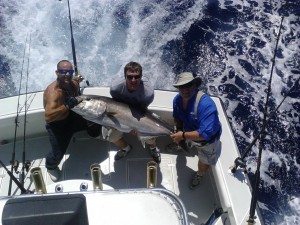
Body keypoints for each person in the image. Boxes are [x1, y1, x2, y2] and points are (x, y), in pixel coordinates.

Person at [43, 60, 101, 182]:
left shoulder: (72, 83)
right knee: (57, 154)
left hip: (73, 117)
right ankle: (50, 167)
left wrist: (80, 77)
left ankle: (93, 134)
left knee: (94, 117)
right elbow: (48, 116)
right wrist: (67, 106)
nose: (67, 75)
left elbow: (77, 79)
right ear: (57, 72)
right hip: (58, 126)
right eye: (64, 72)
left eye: (70, 72)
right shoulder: (53, 92)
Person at [170, 72, 221, 189]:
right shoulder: (177, 100)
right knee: (184, 140)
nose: (185, 89)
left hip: (206, 142)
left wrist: (181, 135)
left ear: (195, 85)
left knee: (203, 162)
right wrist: (178, 131)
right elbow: (177, 116)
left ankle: (200, 174)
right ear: (178, 88)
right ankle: (182, 145)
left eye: (189, 85)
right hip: (188, 133)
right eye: (182, 86)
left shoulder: (206, 105)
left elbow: (204, 135)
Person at [104, 61, 161, 163]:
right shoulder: (115, 88)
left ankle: (153, 148)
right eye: (130, 77)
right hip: (121, 112)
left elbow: (142, 112)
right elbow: (115, 106)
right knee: (112, 137)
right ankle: (125, 148)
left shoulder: (147, 93)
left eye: (137, 77)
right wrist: (113, 123)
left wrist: (135, 127)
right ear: (125, 76)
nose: (133, 80)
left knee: (149, 137)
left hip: (138, 112)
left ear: (141, 77)